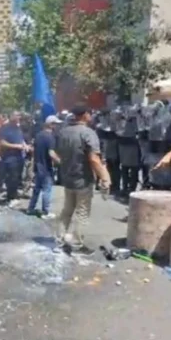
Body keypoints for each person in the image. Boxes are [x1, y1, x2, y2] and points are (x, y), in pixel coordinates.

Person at [56, 104, 111, 254]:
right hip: (83, 179)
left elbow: (58, 154)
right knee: (82, 212)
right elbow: (94, 159)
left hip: (67, 178)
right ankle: (76, 244)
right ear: (86, 115)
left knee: (67, 210)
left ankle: (60, 240)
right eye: (90, 114)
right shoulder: (88, 133)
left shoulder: (63, 132)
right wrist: (104, 177)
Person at [27, 115, 61, 218]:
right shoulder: (50, 137)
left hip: (38, 167)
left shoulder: (38, 135)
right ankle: (45, 212)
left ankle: (30, 208)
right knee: (47, 190)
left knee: (36, 189)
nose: (58, 126)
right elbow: (51, 153)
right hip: (46, 168)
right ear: (51, 125)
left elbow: (34, 150)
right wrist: (60, 161)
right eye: (56, 124)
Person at [0, 111, 29, 208]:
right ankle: (11, 198)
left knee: (17, 178)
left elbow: (21, 139)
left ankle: (13, 196)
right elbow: (2, 142)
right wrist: (16, 146)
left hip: (19, 157)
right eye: (17, 115)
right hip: (9, 158)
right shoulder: (5, 128)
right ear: (11, 116)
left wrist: (24, 145)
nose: (19, 117)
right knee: (11, 178)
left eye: (19, 115)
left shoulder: (18, 128)